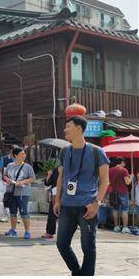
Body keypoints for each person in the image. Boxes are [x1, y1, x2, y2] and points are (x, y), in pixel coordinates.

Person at [54, 115, 110, 276]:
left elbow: (105, 180)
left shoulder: (96, 152)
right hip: (67, 205)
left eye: (68, 126)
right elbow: (61, 177)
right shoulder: (64, 151)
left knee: (88, 247)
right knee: (62, 244)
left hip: (87, 207)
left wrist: (96, 203)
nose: (65, 130)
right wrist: (57, 199)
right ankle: (77, 272)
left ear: (79, 129)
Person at [3, 147, 36, 239]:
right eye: (22, 154)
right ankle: (13, 230)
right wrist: (7, 180)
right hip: (11, 192)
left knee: (24, 212)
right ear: (15, 156)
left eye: (24, 154)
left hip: (23, 193)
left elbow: (33, 178)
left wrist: (23, 182)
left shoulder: (27, 167)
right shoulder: (10, 165)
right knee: (12, 212)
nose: (24, 156)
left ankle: (27, 231)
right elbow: (5, 175)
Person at [108, 157, 132, 233]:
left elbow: (108, 182)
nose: (125, 164)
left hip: (113, 192)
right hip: (123, 192)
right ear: (121, 162)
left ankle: (116, 226)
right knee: (124, 210)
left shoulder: (110, 170)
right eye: (124, 162)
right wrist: (131, 177)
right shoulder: (124, 170)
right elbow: (127, 182)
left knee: (115, 209)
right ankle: (125, 227)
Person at [0, 145, 17, 223]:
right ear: (10, 150)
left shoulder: (19, 159)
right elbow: (0, 169)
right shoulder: (4, 159)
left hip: (16, 183)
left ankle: (14, 216)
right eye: (13, 150)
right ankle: (5, 216)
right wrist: (4, 178)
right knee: (5, 199)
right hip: (5, 183)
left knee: (15, 199)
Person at [42, 166, 60, 239]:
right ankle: (49, 232)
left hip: (65, 194)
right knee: (52, 213)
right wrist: (49, 175)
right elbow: (47, 183)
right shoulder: (55, 170)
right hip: (54, 195)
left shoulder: (70, 168)